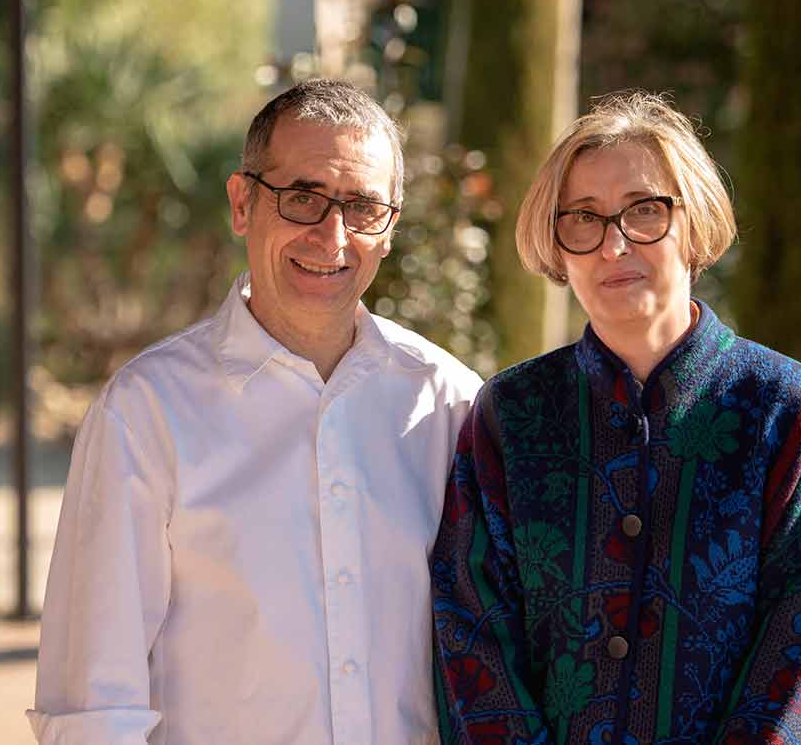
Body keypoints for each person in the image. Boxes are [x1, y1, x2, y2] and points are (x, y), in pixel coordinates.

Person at [28, 79, 482, 745]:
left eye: (362, 206)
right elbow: (94, 706)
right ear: (243, 204)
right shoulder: (146, 412)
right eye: (303, 198)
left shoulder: (452, 404)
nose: (332, 237)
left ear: (391, 228)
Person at [431, 92, 801, 745]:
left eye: (644, 211)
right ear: (556, 243)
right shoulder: (509, 416)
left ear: (693, 223)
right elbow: (470, 624)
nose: (613, 245)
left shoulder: (790, 412)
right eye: (583, 218)